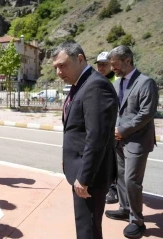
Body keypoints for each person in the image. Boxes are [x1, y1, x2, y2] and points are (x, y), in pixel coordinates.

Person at [52, 42, 118, 239]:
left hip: (90, 177)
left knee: (87, 229)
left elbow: (97, 137)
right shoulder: (80, 84)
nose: (58, 72)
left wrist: (85, 177)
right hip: (81, 168)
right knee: (86, 226)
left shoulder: (95, 86)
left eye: (62, 66)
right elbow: (76, 130)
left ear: (80, 59)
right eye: (55, 67)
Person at [105, 45, 159, 238]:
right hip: (119, 139)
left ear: (127, 61)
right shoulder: (117, 83)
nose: (113, 69)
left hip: (137, 141)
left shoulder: (146, 83)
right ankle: (125, 209)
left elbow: (146, 113)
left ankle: (137, 221)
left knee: (131, 181)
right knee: (120, 177)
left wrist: (123, 129)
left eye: (115, 65)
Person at [95, 51, 119, 204]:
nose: (101, 67)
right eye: (99, 64)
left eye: (104, 64)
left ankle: (114, 190)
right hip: (101, 126)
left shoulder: (117, 80)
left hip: (115, 126)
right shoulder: (96, 79)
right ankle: (106, 185)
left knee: (115, 159)